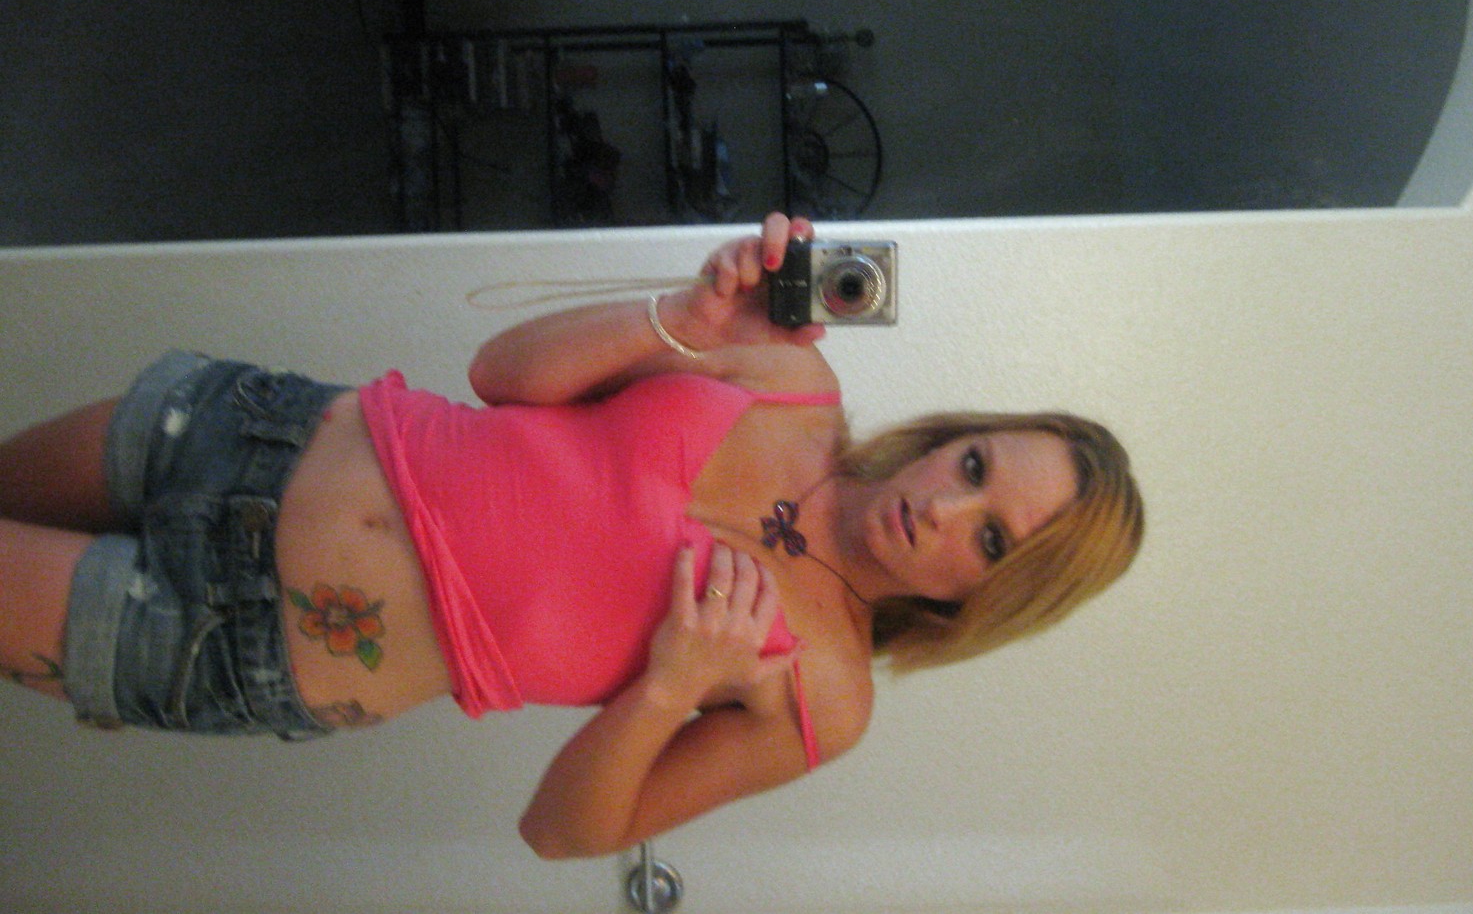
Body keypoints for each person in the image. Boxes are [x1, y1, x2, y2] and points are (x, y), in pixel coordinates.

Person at [0, 212, 1143, 858]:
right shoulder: (792, 382)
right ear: (954, 437)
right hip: (249, 432)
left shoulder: (824, 694)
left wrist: (667, 687)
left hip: (238, 639)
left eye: (991, 540)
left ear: (987, 598)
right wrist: (681, 319)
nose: (944, 506)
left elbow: (561, 830)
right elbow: (503, 374)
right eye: (975, 466)